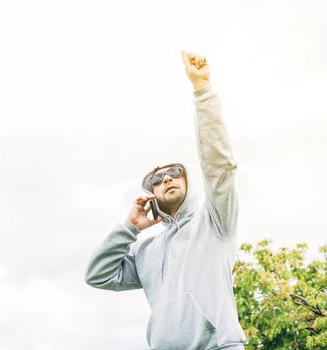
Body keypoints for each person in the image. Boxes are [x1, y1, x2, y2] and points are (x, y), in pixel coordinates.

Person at [84, 51, 248, 350]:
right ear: (151, 196)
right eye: (156, 180)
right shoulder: (146, 250)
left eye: (175, 172)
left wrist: (203, 92)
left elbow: (219, 167)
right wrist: (129, 228)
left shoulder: (215, 222)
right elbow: (98, 275)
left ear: (188, 181)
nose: (167, 179)